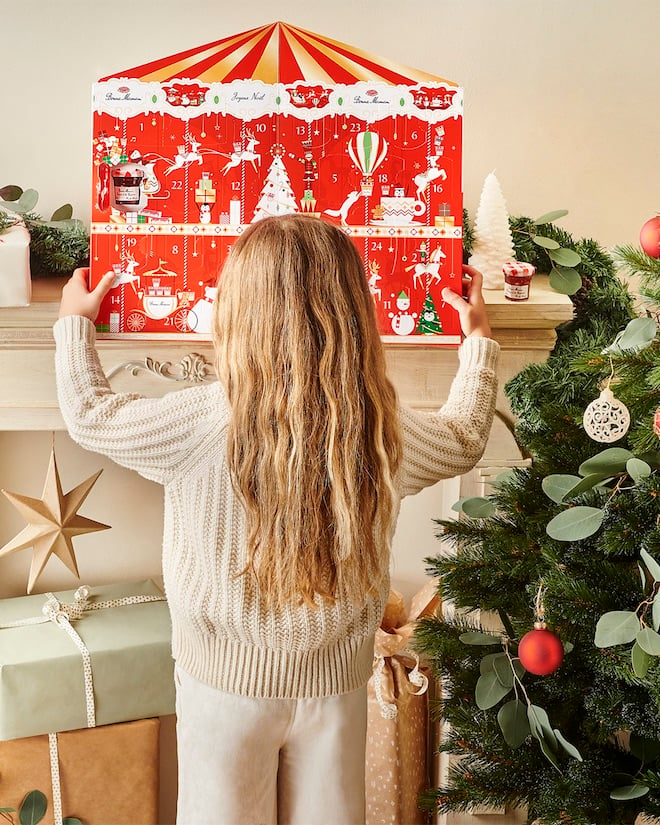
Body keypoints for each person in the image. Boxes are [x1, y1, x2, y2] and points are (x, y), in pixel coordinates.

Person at [54, 214, 499, 825]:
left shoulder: (198, 423)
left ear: (236, 312)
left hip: (222, 689)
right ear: (353, 313)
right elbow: (467, 436)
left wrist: (74, 324)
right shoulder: (377, 432)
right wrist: (476, 340)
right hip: (337, 686)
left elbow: (88, 413)